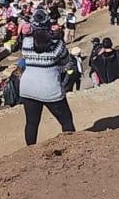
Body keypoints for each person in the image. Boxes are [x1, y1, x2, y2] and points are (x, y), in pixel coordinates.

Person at [19, 12, 76, 146]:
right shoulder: (57, 45)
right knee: (66, 121)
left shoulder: (26, 42)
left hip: (28, 87)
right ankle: (72, 147)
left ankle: (30, 151)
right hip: (50, 89)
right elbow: (66, 62)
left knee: (31, 123)